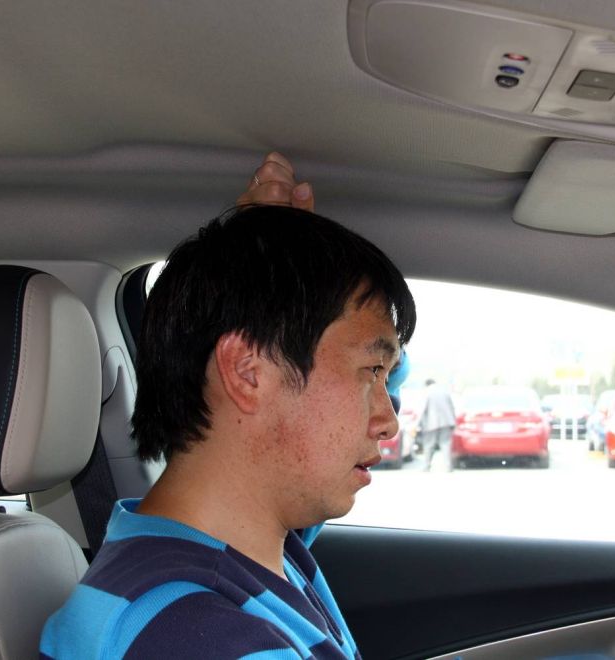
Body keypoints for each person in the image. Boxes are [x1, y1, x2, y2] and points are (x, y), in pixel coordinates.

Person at [41, 153, 416, 659]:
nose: (389, 422)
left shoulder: (247, 549)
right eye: (372, 372)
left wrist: (276, 269)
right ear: (247, 372)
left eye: (385, 375)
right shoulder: (198, 634)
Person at [418, 378, 456, 472]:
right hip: (446, 422)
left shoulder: (426, 392)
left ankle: (426, 466)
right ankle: (448, 467)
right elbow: (452, 407)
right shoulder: (444, 392)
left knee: (429, 445)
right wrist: (453, 422)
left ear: (426, 385)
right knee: (446, 444)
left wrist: (417, 424)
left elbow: (421, 409)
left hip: (431, 423)